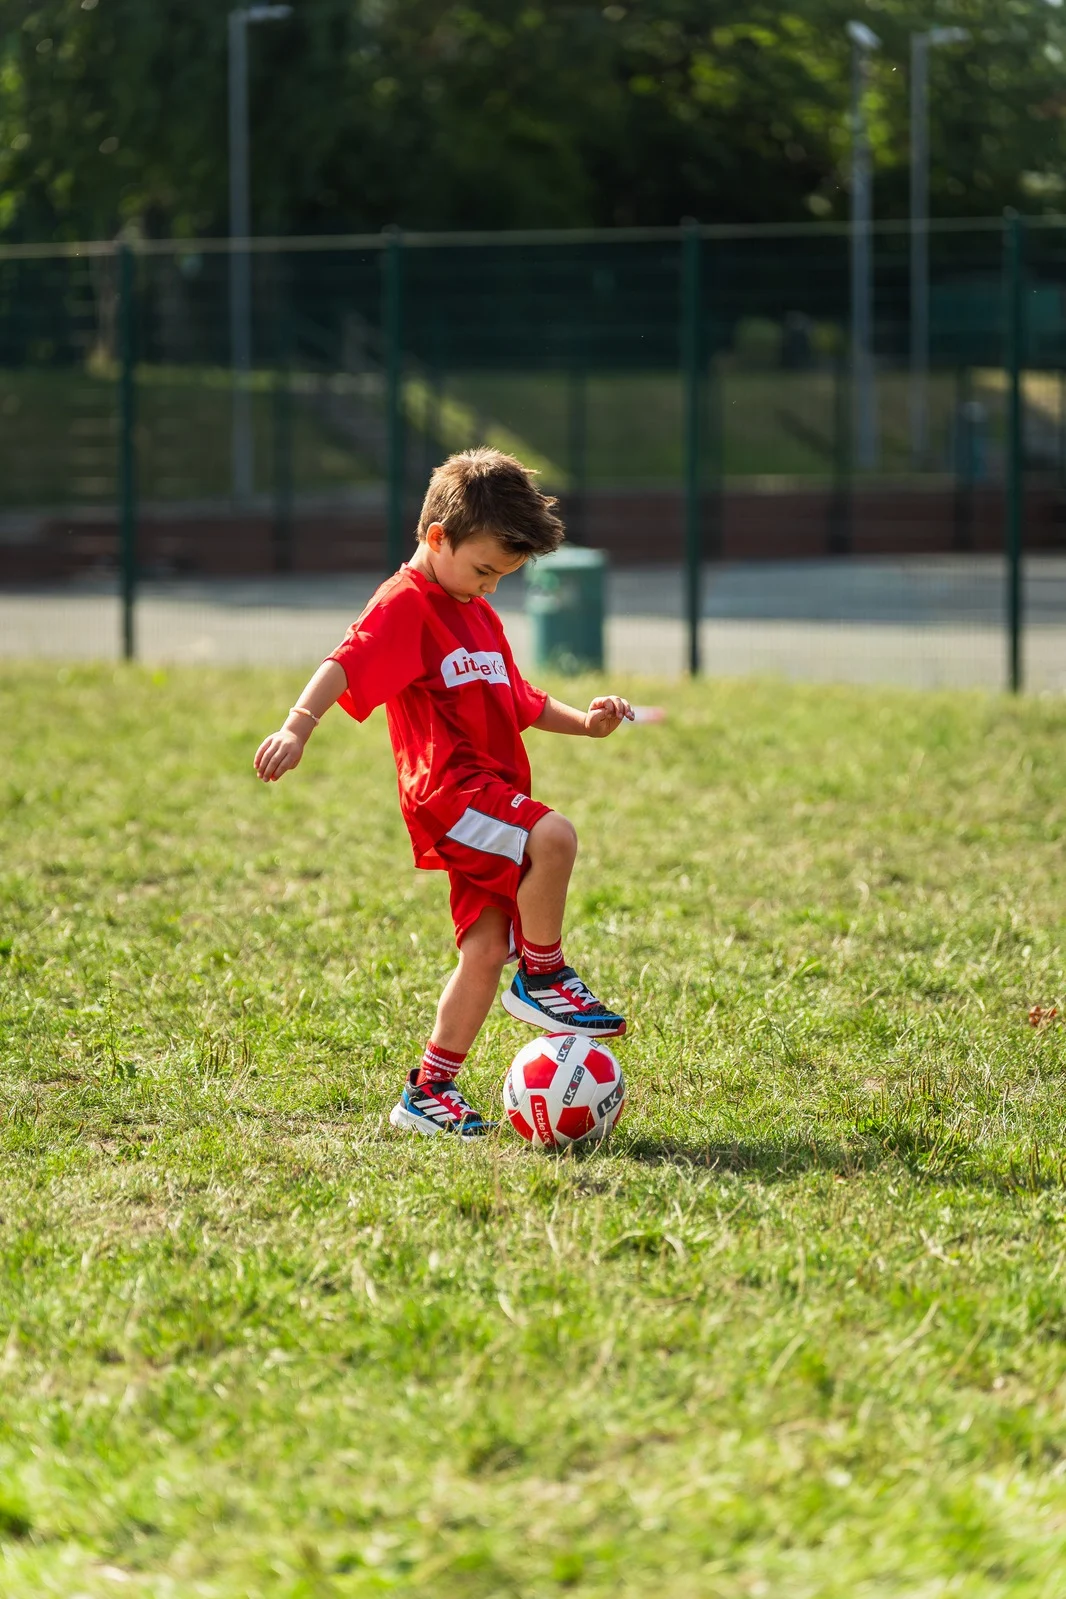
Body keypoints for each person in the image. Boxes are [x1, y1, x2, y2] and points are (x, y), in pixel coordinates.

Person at [253, 447, 633, 1138]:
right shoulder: (407, 601)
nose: (490, 588)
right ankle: (544, 976)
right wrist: (295, 727)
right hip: (450, 794)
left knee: (486, 948)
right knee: (554, 836)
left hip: (487, 794)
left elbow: (518, 699)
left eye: (503, 578)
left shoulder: (476, 610)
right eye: (485, 569)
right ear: (437, 538)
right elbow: (344, 662)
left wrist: (587, 723)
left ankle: (429, 1091)